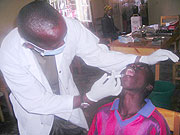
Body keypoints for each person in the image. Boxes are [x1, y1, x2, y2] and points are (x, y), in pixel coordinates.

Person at [0, 1, 178, 135]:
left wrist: (143, 58)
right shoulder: (10, 53)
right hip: (36, 116)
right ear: (32, 46)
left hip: (68, 106)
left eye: (64, 37)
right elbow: (37, 102)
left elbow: (99, 56)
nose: (64, 43)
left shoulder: (71, 27)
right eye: (56, 44)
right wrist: (88, 98)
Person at [88, 63, 170, 135]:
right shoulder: (103, 113)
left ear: (148, 86)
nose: (132, 66)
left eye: (141, 67)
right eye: (129, 65)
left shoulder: (154, 123)